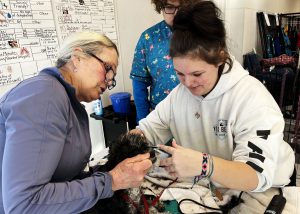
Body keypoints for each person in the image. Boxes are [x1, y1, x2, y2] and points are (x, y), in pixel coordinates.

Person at [132, 1, 295, 193]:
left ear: (219, 58)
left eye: (197, 74)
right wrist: (127, 146)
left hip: (265, 191)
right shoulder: (179, 95)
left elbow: (255, 175)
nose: (187, 83)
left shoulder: (252, 99)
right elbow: (149, 129)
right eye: (180, 74)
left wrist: (203, 164)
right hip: (211, 187)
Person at [0, 31, 152, 213]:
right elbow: (23, 204)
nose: (110, 81)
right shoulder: (45, 95)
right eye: (108, 68)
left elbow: (61, 177)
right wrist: (112, 180)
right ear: (77, 57)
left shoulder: (68, 102)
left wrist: (107, 174)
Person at [130, 0, 193, 123]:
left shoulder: (203, 34)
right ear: (161, 7)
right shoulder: (148, 38)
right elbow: (139, 83)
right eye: (169, 7)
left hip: (195, 115)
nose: (177, 14)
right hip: (159, 117)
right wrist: (144, 122)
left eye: (182, 8)